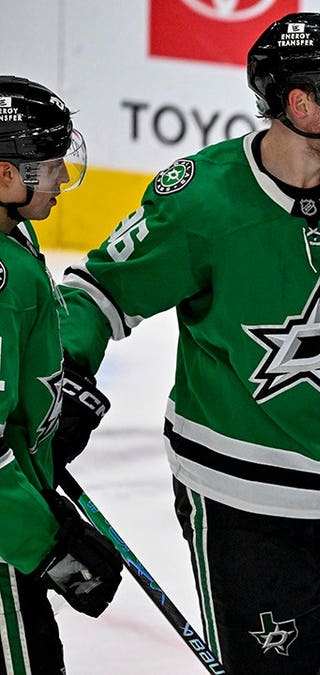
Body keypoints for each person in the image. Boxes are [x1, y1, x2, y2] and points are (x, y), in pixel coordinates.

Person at [54, 13, 320, 673]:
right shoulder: (202, 202)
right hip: (244, 503)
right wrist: (68, 367)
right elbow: (98, 293)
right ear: (301, 105)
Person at [0, 75, 123, 673]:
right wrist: (49, 548)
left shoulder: (12, 241)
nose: (60, 182)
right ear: (5, 176)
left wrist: (48, 415)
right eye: (49, 167)